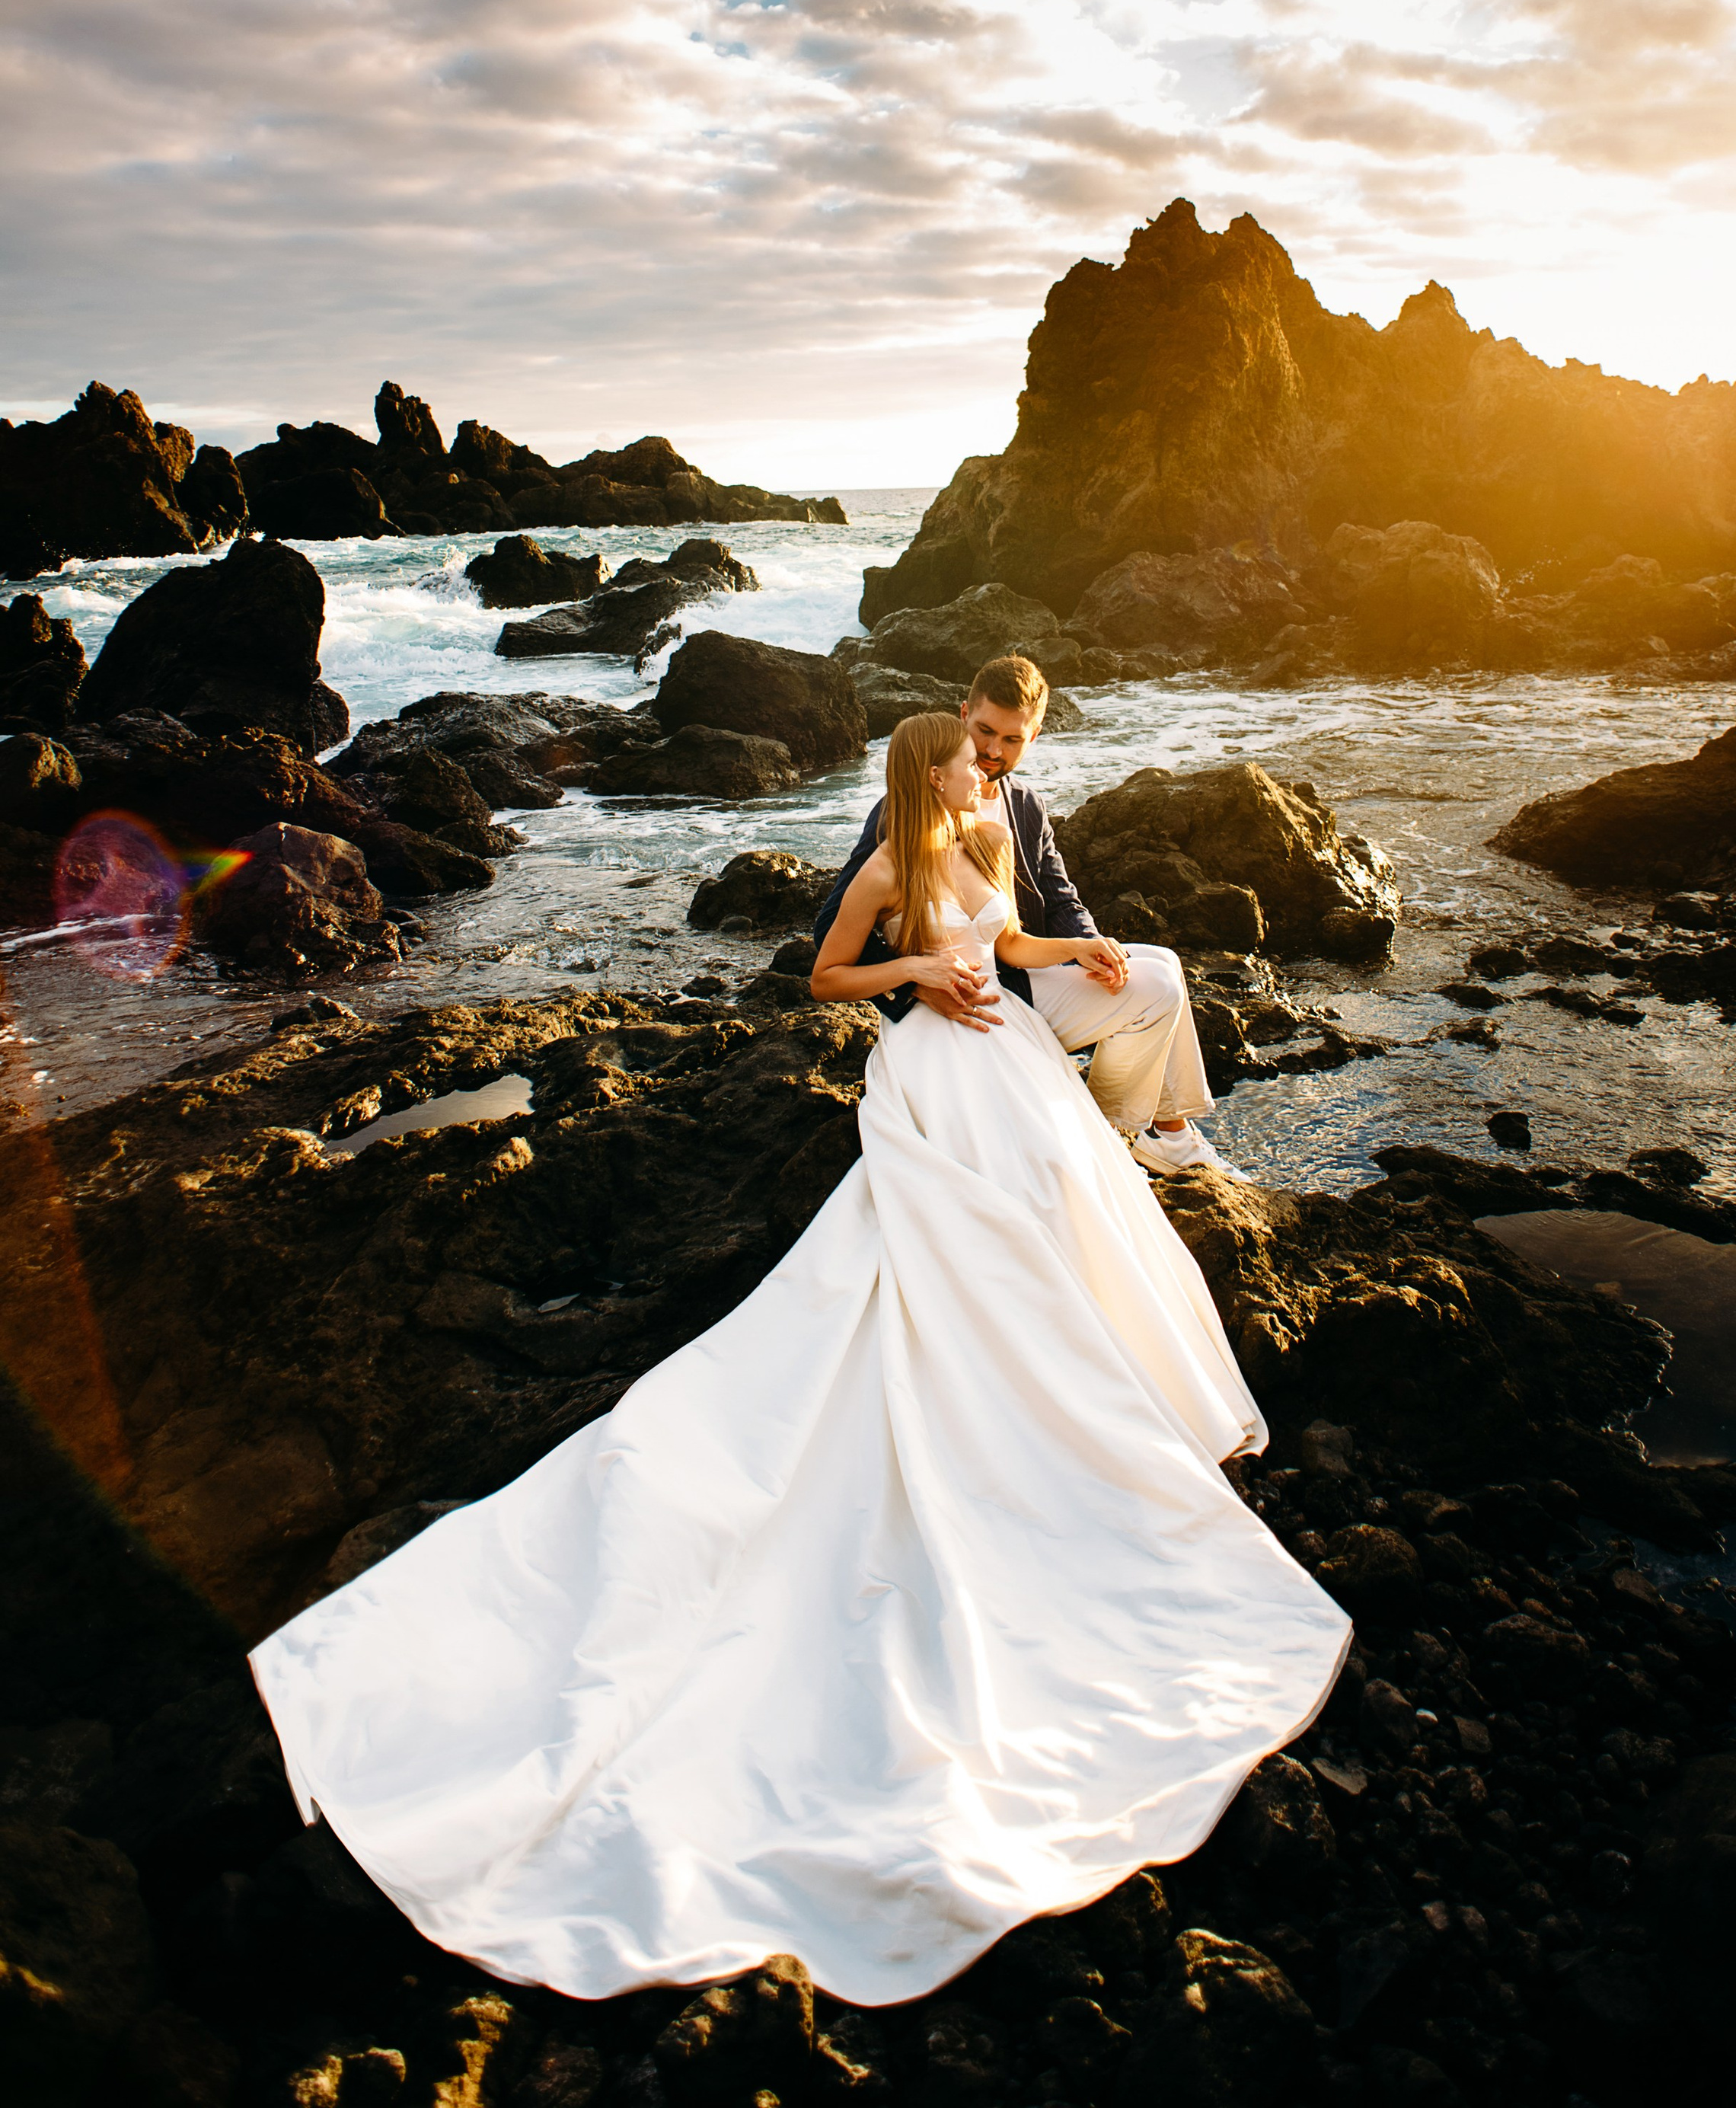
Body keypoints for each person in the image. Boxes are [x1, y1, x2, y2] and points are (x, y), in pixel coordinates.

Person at [247, 712, 1349, 2014]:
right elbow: (827, 978)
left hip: (1011, 1060)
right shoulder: (889, 863)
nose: (979, 768)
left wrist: (1076, 951)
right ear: (928, 770)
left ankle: (1098, 1362)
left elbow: (1010, 945)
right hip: (934, 1064)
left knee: (1069, 1197)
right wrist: (916, 977)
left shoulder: (990, 833)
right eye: (962, 757)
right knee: (961, 1243)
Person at [812, 652, 1236, 1177]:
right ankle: (1127, 1132)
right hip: (974, 994)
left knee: (1162, 964)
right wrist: (916, 983)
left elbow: (1058, 900)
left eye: (1011, 739)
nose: (993, 751)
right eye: (985, 732)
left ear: (1033, 736)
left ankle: (1162, 1131)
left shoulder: (1024, 808)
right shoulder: (900, 816)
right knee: (1159, 985)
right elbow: (831, 929)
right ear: (964, 715)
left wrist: (1089, 948)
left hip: (1019, 966)